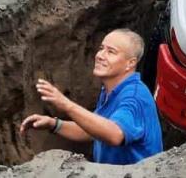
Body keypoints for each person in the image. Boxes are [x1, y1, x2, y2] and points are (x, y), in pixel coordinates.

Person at [19, 29, 163, 165]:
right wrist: (54, 124)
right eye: (101, 48)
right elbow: (92, 130)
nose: (100, 55)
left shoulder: (134, 96)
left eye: (111, 52)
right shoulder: (111, 90)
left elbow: (115, 134)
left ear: (130, 63)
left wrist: (66, 105)